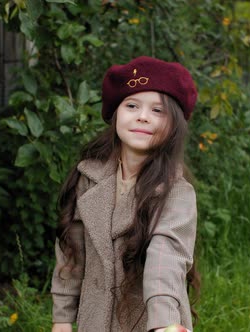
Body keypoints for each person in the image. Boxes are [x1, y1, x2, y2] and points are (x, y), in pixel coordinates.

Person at [50, 56, 200, 332]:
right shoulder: (88, 178)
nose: (142, 116)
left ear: (174, 126)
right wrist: (61, 318)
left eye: (158, 110)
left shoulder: (177, 193)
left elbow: (166, 258)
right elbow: (72, 250)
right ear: (115, 113)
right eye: (132, 105)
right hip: (92, 320)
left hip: (147, 320)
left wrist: (165, 321)